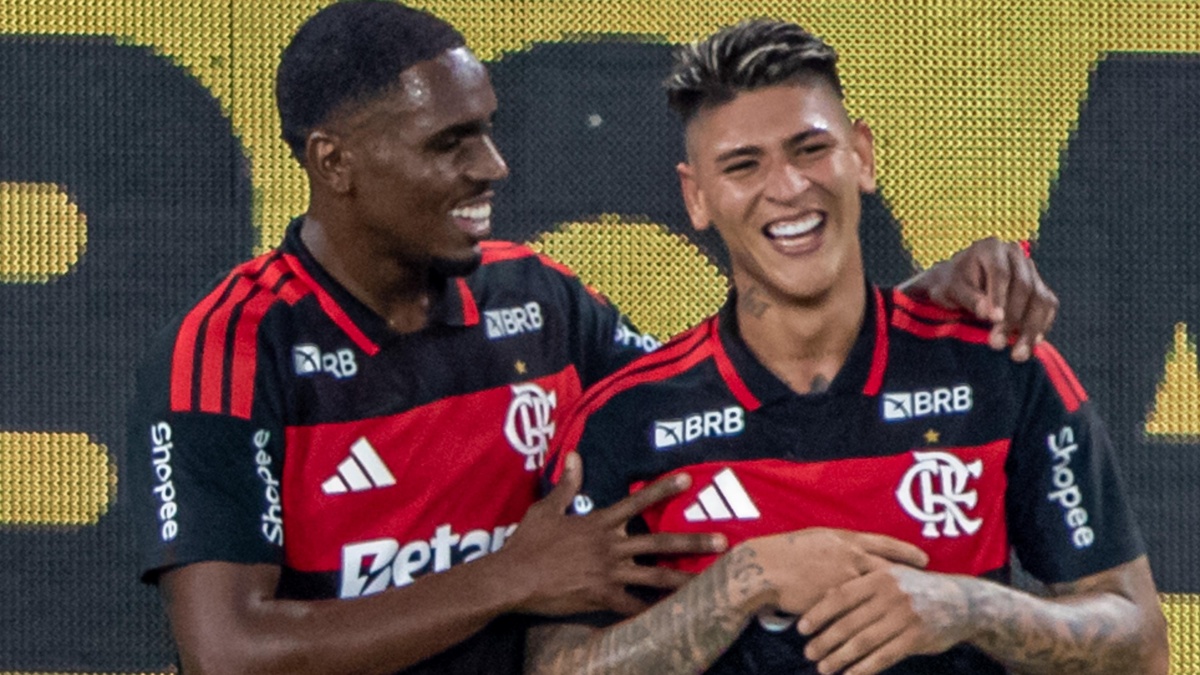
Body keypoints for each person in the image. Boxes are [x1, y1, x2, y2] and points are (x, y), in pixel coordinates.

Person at [129, 3, 1060, 674]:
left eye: (488, 131)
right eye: (450, 143)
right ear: (334, 162)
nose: (493, 165)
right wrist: (507, 578)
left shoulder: (538, 300)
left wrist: (902, 306)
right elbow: (229, 650)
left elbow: (717, 397)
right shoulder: (230, 349)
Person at [529, 18, 1169, 675]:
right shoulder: (624, 418)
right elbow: (554, 664)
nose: (787, 187)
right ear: (697, 197)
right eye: (744, 165)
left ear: (861, 155)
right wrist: (739, 583)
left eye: (810, 149)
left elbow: (1142, 643)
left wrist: (966, 607)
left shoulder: (998, 367)